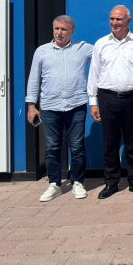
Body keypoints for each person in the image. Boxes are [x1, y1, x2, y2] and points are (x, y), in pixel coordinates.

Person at [89, 5, 133, 199]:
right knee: (110, 144)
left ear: (128, 20)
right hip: (107, 97)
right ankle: (111, 183)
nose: (115, 22)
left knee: (132, 143)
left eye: (119, 19)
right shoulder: (101, 43)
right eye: (112, 19)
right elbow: (94, 74)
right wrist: (93, 101)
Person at [26, 15, 93, 202]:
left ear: (72, 31)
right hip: (50, 107)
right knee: (52, 147)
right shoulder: (42, 51)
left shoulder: (83, 48)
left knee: (77, 147)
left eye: (63, 29)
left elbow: (107, 51)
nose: (59, 32)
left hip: (76, 105)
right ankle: (54, 184)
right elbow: (33, 79)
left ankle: (77, 182)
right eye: (56, 28)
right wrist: (31, 105)